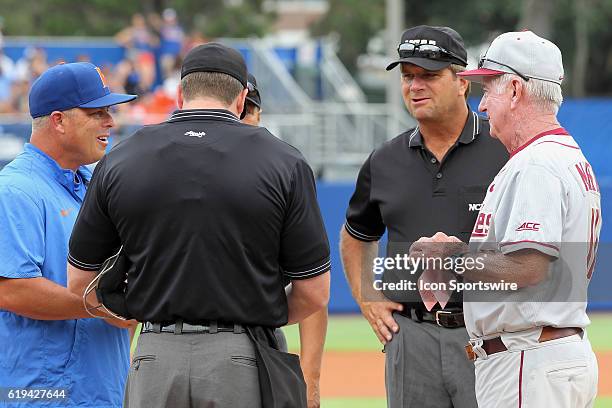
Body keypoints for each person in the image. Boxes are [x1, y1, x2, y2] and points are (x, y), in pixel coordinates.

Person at [66, 43, 330, 408]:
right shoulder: (284, 160)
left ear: (179, 93)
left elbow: (81, 283)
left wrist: (135, 308)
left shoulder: (122, 158)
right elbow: (314, 293)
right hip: (240, 356)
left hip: (154, 355)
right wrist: (259, 310)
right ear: (241, 99)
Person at [423, 30, 600, 408]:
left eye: (488, 90)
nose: (482, 106)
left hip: (528, 360)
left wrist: (450, 257)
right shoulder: (564, 155)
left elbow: (527, 268)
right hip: (543, 355)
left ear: (516, 90)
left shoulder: (536, 164)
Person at [340, 25, 508, 408]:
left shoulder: (504, 150)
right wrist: (367, 297)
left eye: (429, 75)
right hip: (410, 338)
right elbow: (356, 233)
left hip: (486, 333)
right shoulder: (385, 160)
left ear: (462, 81)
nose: (415, 86)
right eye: (407, 76)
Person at [0, 62, 137, 407]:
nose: (111, 122)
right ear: (59, 120)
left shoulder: (97, 185)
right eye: (97, 113)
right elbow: (11, 289)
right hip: (40, 393)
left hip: (103, 388)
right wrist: (106, 307)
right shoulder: (15, 190)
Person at [242, 73, 328, 408]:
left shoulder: (283, 170)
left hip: (261, 340)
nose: (242, 119)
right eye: (239, 110)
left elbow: (312, 284)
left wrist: (311, 377)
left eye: (249, 111)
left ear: (259, 113)